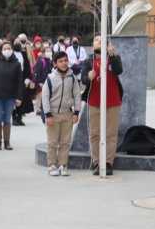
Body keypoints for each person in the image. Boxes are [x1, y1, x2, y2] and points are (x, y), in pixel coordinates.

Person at [81, 36, 123, 176]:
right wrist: (89, 77)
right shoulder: (88, 60)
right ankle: (97, 162)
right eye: (96, 39)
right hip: (94, 100)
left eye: (101, 39)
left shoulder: (113, 57)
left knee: (110, 133)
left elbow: (118, 71)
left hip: (112, 100)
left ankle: (108, 163)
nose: (99, 41)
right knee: (95, 133)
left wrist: (111, 55)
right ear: (92, 44)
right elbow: (83, 79)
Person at [42, 51, 81, 177]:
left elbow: (77, 95)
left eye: (65, 60)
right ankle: (51, 165)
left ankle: (63, 165)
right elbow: (45, 97)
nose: (64, 63)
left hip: (67, 114)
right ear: (55, 63)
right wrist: (48, 114)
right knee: (52, 142)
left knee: (65, 142)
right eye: (60, 61)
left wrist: (76, 112)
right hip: (53, 114)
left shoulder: (72, 78)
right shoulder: (50, 78)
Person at [0, 42, 24, 150]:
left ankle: (7, 142)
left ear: (12, 50)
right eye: (5, 48)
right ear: (1, 50)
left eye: (9, 48)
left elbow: (19, 82)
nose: (7, 50)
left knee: (7, 119)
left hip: (10, 97)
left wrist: (19, 97)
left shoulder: (16, 64)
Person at [11, 38, 34, 126]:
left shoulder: (24, 54)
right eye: (16, 42)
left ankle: (19, 117)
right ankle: (14, 117)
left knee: (22, 99)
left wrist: (28, 78)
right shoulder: (11, 54)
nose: (17, 44)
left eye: (19, 42)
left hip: (22, 79)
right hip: (13, 79)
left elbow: (27, 67)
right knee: (14, 99)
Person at [32, 46, 54, 117]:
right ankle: (38, 109)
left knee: (47, 96)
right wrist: (39, 82)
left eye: (50, 51)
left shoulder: (51, 62)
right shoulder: (41, 61)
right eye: (47, 51)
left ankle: (45, 109)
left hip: (49, 82)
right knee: (39, 96)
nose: (49, 52)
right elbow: (37, 72)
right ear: (44, 53)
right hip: (41, 83)